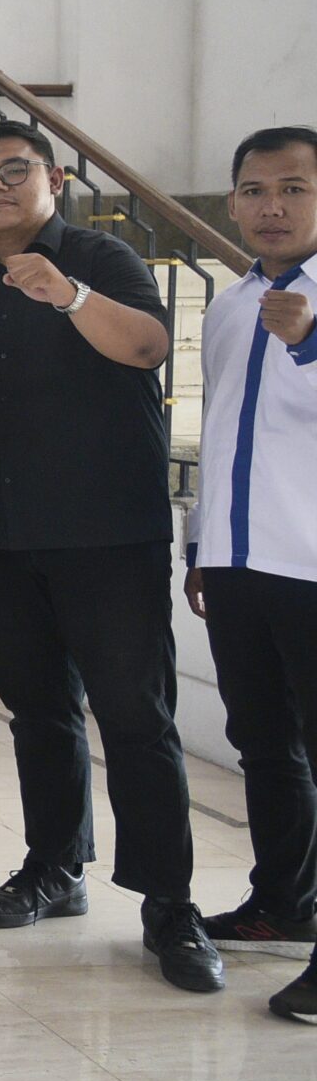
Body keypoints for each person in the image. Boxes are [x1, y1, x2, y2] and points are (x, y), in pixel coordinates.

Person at [0, 119, 222, 992]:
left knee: (135, 718)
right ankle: (54, 866)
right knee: (38, 710)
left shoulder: (104, 260)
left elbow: (149, 346)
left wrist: (70, 295)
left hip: (106, 536)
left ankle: (170, 903)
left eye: (14, 170)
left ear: (54, 180)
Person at [183, 125, 317, 1022]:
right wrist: (203, 544)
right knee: (264, 744)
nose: (273, 206)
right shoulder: (230, 304)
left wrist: (311, 340)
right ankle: (283, 903)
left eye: (294, 188)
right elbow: (223, 428)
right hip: (239, 563)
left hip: (309, 563)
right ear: (232, 202)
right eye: (256, 189)